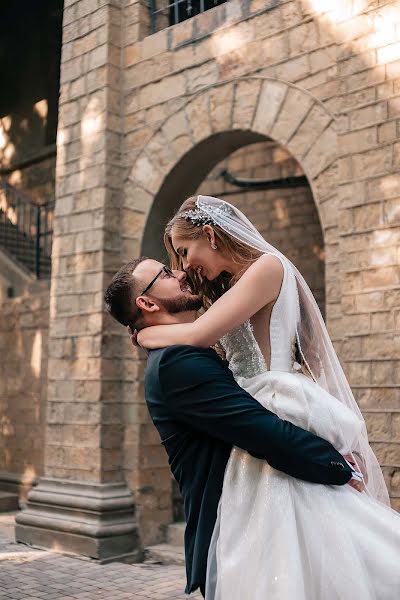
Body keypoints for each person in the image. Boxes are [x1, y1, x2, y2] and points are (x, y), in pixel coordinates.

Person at [133, 195, 400, 599]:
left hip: (273, 402)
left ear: (210, 233)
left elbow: (198, 335)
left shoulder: (266, 268)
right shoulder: (235, 284)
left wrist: (148, 333)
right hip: (256, 411)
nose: (185, 266)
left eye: (185, 252)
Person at [104, 257, 362, 598]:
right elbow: (259, 430)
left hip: (259, 520)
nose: (181, 273)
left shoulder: (178, 351)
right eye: (167, 273)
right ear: (147, 303)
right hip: (234, 537)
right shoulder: (176, 364)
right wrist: (338, 465)